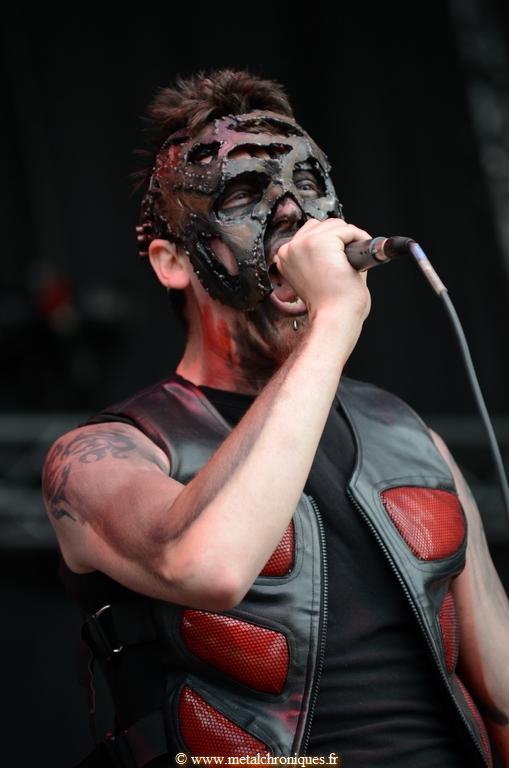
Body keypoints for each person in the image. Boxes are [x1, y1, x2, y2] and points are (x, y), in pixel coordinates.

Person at [42, 70, 509, 768]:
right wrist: (334, 321)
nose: (293, 215)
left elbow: (501, 690)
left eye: (308, 186)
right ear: (171, 262)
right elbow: (207, 565)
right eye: (243, 196)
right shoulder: (105, 455)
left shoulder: (411, 439)